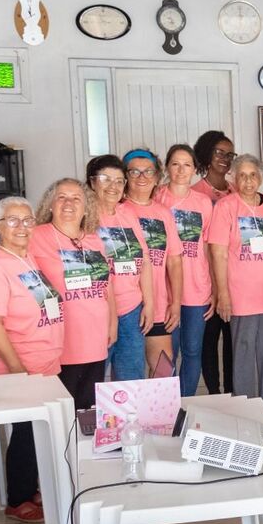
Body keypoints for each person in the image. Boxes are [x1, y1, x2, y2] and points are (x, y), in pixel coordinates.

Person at [0, 180, 116, 410]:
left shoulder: (94, 239)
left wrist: (113, 321)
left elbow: (106, 284)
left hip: (90, 340)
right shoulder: (34, 236)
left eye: (76, 198)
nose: (68, 203)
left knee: (86, 410)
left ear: (86, 206)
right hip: (61, 346)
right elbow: (4, 253)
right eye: (61, 197)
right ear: (50, 204)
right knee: (60, 415)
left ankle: (75, 445)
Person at [0, 196, 65, 523]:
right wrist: (18, 372)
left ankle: (31, 485)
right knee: (26, 432)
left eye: (27, 220)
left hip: (43, 365)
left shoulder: (28, 259)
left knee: (37, 430)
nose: (22, 226)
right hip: (17, 369)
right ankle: (18, 498)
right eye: (12, 220)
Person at [208, 154, 263, 420]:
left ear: (261, 177)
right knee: (242, 352)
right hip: (241, 294)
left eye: (252, 175)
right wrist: (223, 294)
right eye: (241, 175)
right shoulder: (226, 206)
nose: (247, 180)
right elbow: (218, 253)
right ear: (233, 178)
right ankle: (245, 409)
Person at [155, 144, 214, 396]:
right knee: (166, 354)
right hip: (162, 289)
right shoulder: (155, 197)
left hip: (197, 289)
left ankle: (185, 402)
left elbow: (209, 246)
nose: (181, 170)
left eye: (187, 165)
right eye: (175, 164)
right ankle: (163, 406)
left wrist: (215, 288)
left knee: (192, 351)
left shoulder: (203, 202)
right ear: (167, 167)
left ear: (194, 169)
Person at [89, 155, 153, 382]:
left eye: (119, 180)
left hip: (131, 309)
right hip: (97, 311)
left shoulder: (127, 213)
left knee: (131, 378)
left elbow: (144, 259)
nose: (113, 186)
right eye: (106, 179)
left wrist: (149, 303)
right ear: (92, 182)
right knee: (94, 378)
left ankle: (129, 419)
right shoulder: (83, 216)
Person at [121, 148, 183, 375]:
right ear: (125, 176)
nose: (141, 177)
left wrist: (175, 303)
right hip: (125, 306)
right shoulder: (117, 210)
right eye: (134, 172)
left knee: (163, 371)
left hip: (158, 304)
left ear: (157, 176)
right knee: (128, 374)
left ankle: (159, 412)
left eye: (148, 171)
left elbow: (174, 261)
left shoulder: (163, 213)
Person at [193, 130, 237, 394]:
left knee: (233, 343)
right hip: (205, 282)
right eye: (219, 152)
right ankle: (214, 392)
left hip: (234, 281)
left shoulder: (236, 192)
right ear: (207, 153)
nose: (225, 158)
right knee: (208, 342)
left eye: (229, 154)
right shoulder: (195, 193)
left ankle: (233, 391)